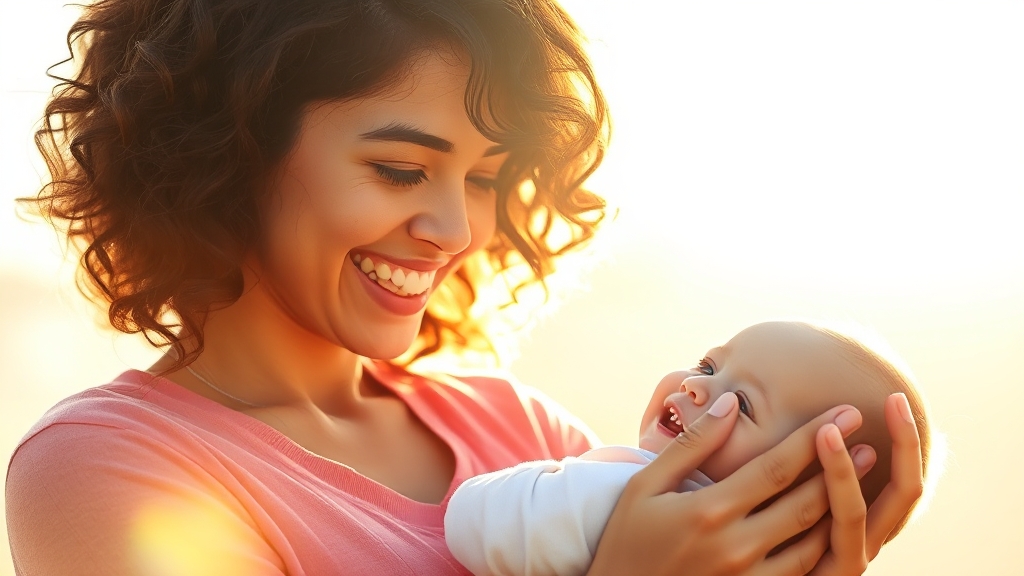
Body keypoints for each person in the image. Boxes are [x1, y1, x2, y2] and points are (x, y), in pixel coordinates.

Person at [5, 0, 924, 574]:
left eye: (485, 178)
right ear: (226, 156)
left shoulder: (522, 431)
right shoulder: (105, 468)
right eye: (403, 170)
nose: (460, 229)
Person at [445, 321, 933, 576]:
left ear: (805, 500)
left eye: (741, 403)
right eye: (707, 365)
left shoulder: (619, 493)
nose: (697, 388)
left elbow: (469, 518)